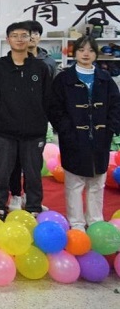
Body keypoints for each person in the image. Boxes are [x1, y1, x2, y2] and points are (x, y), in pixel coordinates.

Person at [0, 21, 52, 221]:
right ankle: (0, 206)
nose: (19, 39)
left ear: (30, 39)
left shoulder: (40, 67)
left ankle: (33, 207)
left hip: (34, 132)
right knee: (2, 172)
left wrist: (44, 124)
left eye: (24, 35)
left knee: (33, 173)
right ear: (8, 40)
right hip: (5, 131)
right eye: (15, 36)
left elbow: (48, 99)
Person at [49, 36, 120, 230]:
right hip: (73, 139)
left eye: (90, 50)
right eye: (81, 50)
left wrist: (110, 129)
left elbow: (116, 106)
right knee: (74, 184)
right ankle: (77, 223)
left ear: (96, 54)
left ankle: (95, 221)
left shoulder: (105, 79)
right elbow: (55, 109)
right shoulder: (63, 79)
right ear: (75, 53)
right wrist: (66, 131)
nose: (86, 54)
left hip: (100, 139)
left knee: (97, 183)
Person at [7, 19, 57, 212]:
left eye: (35, 33)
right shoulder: (10, 61)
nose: (31, 37)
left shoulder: (48, 63)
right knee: (14, 162)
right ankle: (15, 195)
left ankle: (30, 197)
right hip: (13, 123)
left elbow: (51, 94)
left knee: (33, 163)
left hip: (38, 121)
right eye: (28, 33)